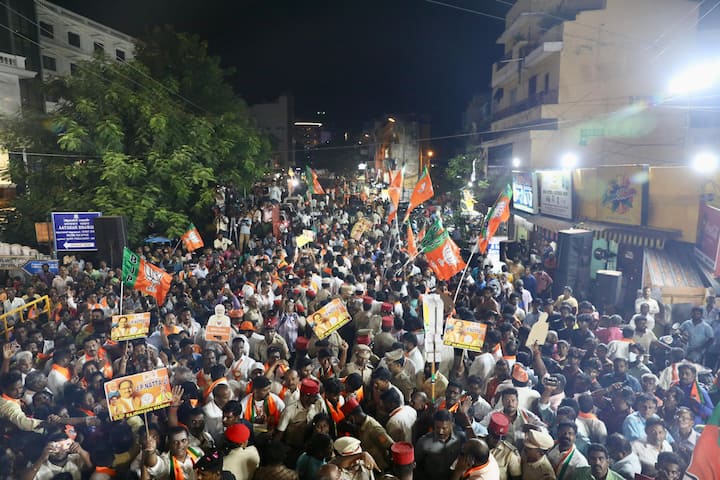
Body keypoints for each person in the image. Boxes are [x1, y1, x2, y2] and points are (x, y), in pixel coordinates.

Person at [414, 409, 466, 480]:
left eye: (444, 428)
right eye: (437, 427)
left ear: (451, 425)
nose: (440, 432)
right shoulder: (423, 442)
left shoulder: (461, 438)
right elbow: (417, 463)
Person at [485, 411, 522, 480]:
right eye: (495, 436)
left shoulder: (509, 454)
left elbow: (517, 477)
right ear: (488, 431)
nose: (498, 440)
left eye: (502, 438)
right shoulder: (477, 445)